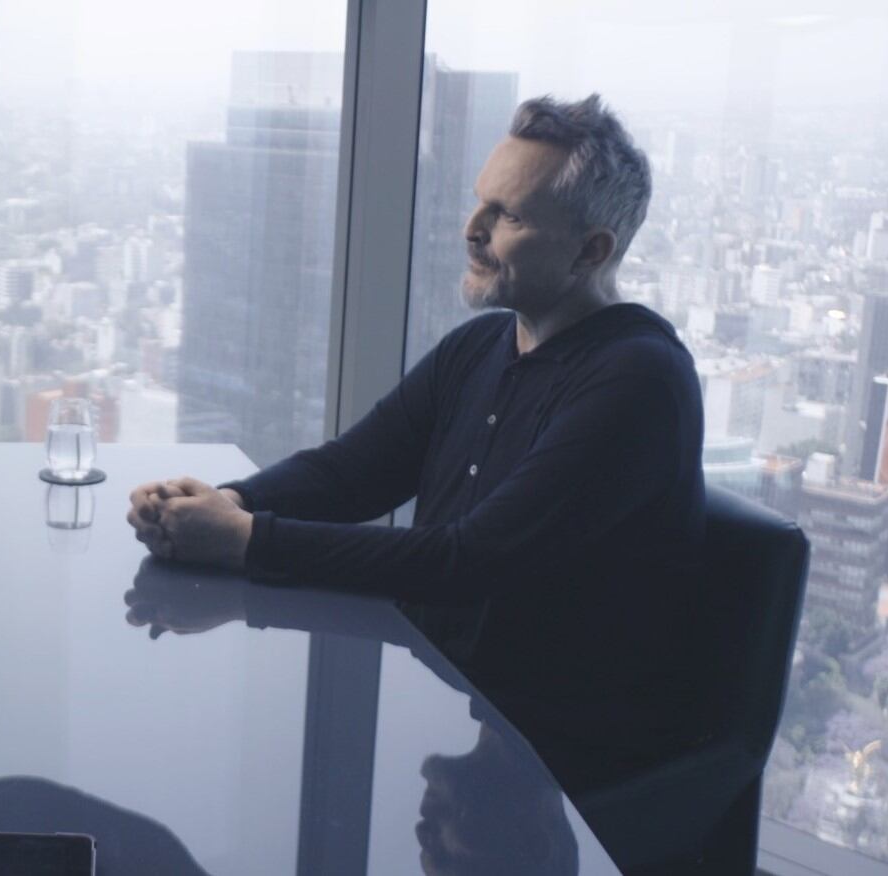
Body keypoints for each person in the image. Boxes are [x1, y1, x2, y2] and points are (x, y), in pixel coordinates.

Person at [127, 94, 705, 788]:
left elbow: (469, 561)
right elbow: (353, 472)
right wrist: (224, 501)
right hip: (445, 691)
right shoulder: (485, 343)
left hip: (555, 750)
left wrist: (244, 538)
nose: (472, 230)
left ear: (591, 250)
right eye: (479, 202)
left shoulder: (639, 381)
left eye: (509, 215)